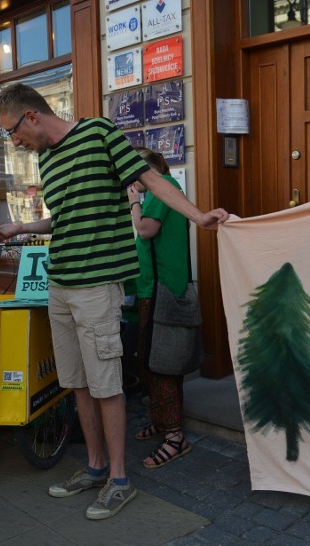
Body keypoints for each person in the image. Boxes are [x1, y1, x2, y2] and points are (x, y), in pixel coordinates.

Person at [0, 83, 228, 520]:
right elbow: (63, 217)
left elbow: (150, 178)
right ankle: (95, 468)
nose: (15, 143)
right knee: (76, 383)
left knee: (107, 385)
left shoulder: (98, 132)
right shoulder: (48, 158)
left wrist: (198, 215)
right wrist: (18, 230)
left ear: (32, 116)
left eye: (13, 132)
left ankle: (120, 480)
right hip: (59, 285)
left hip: (96, 288)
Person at [127, 148, 192, 468]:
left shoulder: (159, 187)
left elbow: (145, 230)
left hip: (159, 290)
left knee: (157, 363)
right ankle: (164, 421)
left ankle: (175, 437)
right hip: (161, 287)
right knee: (159, 360)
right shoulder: (168, 189)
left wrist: (134, 202)